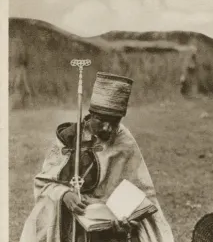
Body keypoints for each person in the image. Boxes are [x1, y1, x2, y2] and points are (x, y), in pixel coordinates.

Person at [19, 72, 175, 242]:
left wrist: (129, 216)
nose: (108, 128)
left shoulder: (124, 140)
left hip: (114, 220)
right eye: (101, 120)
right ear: (91, 115)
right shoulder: (70, 138)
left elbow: (142, 189)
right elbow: (45, 183)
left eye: (114, 122)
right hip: (74, 217)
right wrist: (64, 194)